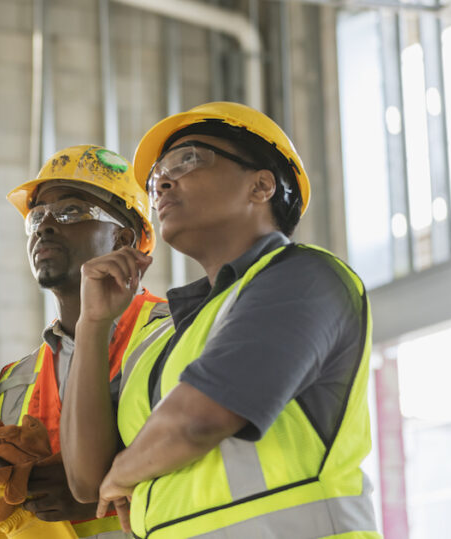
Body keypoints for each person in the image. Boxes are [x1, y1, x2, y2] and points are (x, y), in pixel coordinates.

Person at [61, 102, 379, 538]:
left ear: (262, 185)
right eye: (156, 178)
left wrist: (123, 473)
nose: (162, 182)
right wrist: (93, 325)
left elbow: (198, 419)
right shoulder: (161, 343)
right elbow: (86, 482)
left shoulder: (307, 277)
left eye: (186, 160)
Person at [0, 146, 167, 539]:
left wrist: (99, 492)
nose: (44, 226)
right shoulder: (13, 381)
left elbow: (214, 469)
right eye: (37, 216)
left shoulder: (172, 336)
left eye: (71, 211)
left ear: (124, 238)